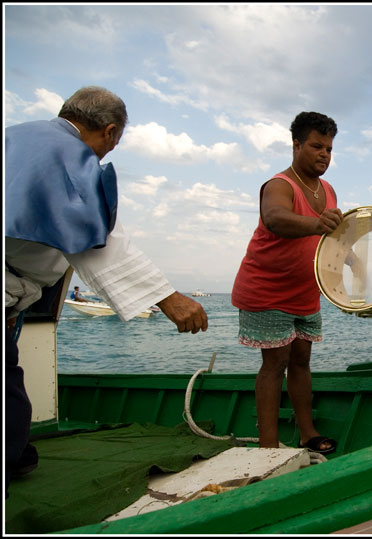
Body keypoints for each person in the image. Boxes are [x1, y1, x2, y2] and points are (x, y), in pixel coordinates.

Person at [5, 86, 209, 485]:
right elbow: (97, 241)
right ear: (111, 132)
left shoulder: (14, 136)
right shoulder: (68, 156)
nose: (106, 153)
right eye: (113, 144)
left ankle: (17, 452)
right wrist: (168, 298)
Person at [231, 112, 342, 454]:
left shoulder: (328, 190)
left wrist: (352, 264)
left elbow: (331, 239)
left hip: (306, 293)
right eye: (316, 146)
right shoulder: (280, 185)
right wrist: (315, 224)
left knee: (301, 362)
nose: (324, 154)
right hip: (267, 290)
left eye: (329, 148)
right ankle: (268, 446)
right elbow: (275, 217)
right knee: (273, 365)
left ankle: (307, 432)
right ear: (296, 145)